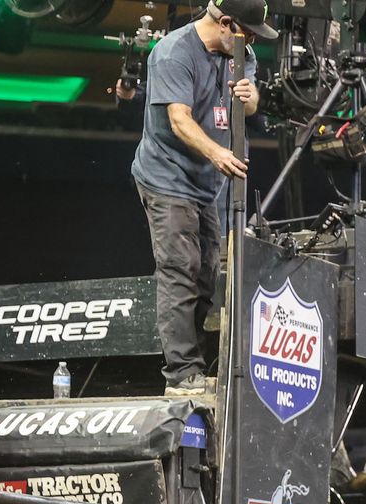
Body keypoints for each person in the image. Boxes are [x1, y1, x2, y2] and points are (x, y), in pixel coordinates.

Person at [131, 0, 275, 396]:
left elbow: (254, 104)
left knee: (207, 274)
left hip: (208, 183)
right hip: (167, 178)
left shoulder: (240, 53)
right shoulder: (173, 53)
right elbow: (179, 119)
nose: (250, 45)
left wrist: (250, 97)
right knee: (180, 269)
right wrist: (217, 153)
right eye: (245, 33)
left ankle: (194, 363)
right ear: (226, 23)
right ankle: (182, 373)